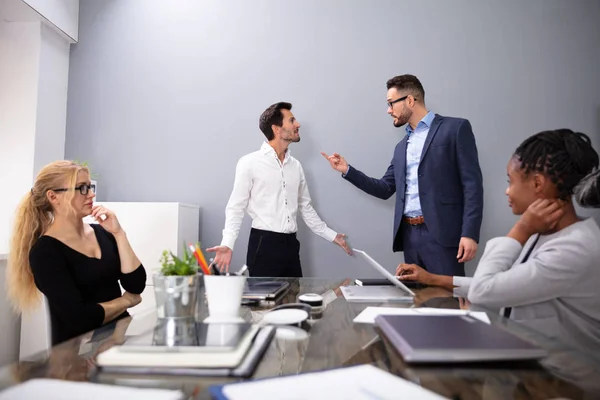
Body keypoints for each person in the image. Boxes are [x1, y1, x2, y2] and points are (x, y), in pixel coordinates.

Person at [395, 129, 600, 352]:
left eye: (510, 181)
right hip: (533, 363)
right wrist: (432, 278)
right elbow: (504, 285)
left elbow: (484, 291)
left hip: (565, 380)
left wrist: (520, 230)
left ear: (538, 184)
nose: (507, 191)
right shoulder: (550, 234)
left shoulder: (574, 248)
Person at [322, 74, 483, 277]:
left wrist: (469, 233)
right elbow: (384, 188)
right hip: (410, 238)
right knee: (417, 303)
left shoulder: (455, 129)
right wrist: (347, 170)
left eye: (391, 104)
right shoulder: (401, 148)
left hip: (443, 237)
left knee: (446, 303)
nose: (389, 111)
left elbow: (472, 186)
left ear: (409, 100)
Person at [6, 161, 146, 345]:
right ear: (53, 197)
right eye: (81, 188)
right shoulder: (45, 252)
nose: (91, 194)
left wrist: (119, 233)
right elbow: (79, 318)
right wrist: (126, 301)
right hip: (75, 356)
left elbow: (135, 285)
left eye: (89, 186)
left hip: (117, 341)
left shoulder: (103, 232)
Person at [208, 102, 351, 277]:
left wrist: (332, 235)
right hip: (263, 245)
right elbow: (235, 207)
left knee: (294, 301)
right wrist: (228, 244)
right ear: (276, 129)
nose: (297, 124)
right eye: (292, 120)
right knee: (264, 303)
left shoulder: (296, 166)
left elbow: (305, 208)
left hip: (291, 245)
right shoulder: (249, 163)